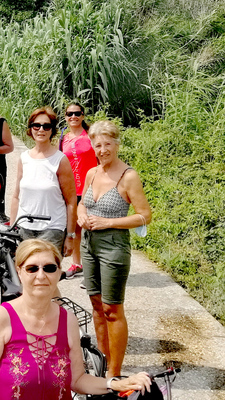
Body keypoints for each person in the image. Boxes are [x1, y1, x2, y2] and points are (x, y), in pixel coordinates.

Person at [0, 239, 152, 399]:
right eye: (32, 268)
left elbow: (77, 379)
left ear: (58, 273)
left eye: (49, 268)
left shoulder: (68, 321)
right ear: (20, 272)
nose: (41, 276)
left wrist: (114, 384)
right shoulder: (1, 318)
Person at [78, 120, 152, 378]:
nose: (102, 149)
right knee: (96, 305)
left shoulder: (128, 176)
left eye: (107, 144)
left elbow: (144, 216)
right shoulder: (91, 173)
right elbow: (82, 204)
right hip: (88, 244)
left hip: (114, 247)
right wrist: (80, 216)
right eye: (97, 145)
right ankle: (102, 364)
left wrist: (109, 222)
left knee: (112, 308)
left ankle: (114, 373)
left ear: (116, 144)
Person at [9, 107, 77, 255]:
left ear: (52, 130)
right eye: (36, 125)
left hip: (52, 230)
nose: (41, 130)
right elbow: (16, 196)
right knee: (26, 274)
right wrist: (12, 227)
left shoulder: (60, 160)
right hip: (24, 228)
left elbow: (71, 201)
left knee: (47, 275)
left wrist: (70, 236)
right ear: (30, 128)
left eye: (46, 126)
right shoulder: (24, 158)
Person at [58, 102, 98, 279]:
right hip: (70, 189)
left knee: (92, 228)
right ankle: (77, 264)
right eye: (69, 114)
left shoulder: (91, 136)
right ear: (65, 117)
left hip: (90, 188)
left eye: (76, 113)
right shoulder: (63, 138)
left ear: (83, 115)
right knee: (73, 228)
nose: (73, 117)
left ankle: (95, 266)